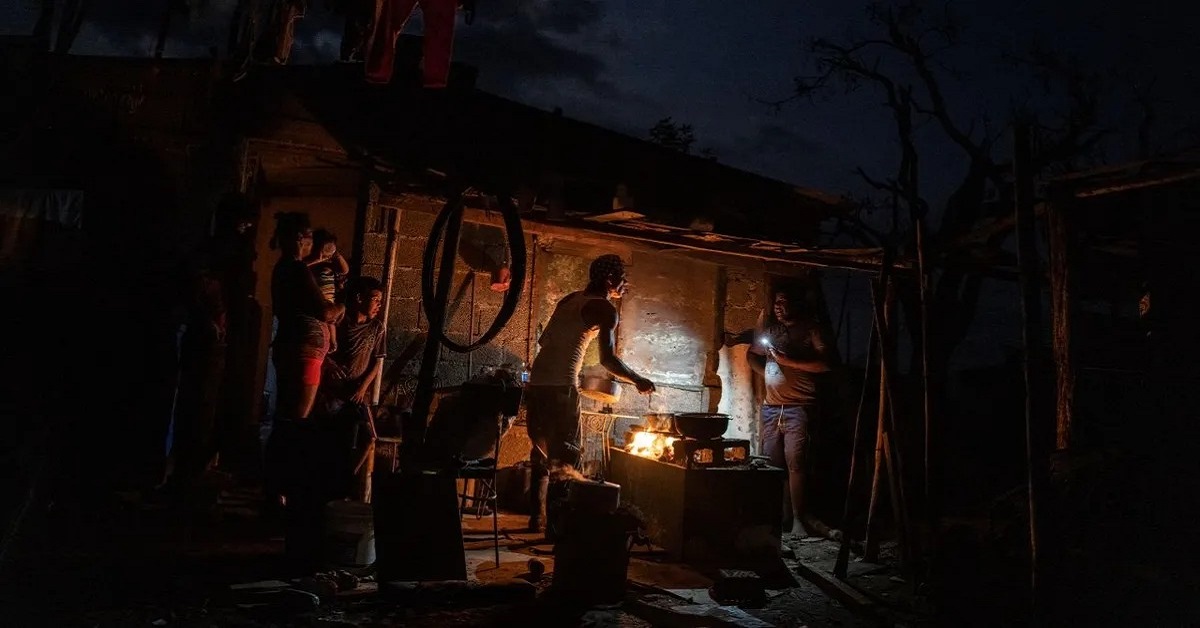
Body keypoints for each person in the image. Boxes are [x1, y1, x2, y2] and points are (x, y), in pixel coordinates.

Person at [525, 253, 656, 537]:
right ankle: (558, 531)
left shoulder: (570, 299)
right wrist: (637, 379)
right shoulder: (605, 309)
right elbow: (609, 360)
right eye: (621, 278)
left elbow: (545, 341)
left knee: (541, 453)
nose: (624, 284)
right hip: (561, 387)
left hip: (537, 385)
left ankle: (536, 519)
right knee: (566, 457)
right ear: (609, 280)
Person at [264, 211, 344, 570]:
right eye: (298, 236)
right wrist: (343, 305)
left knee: (288, 419)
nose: (304, 242)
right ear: (284, 238)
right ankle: (282, 498)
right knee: (295, 421)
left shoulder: (292, 269)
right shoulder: (294, 271)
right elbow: (324, 311)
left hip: (299, 348)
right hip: (303, 351)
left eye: (307, 235)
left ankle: (277, 494)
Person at [747, 286, 832, 538]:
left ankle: (798, 519)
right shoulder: (773, 331)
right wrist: (767, 372)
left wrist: (787, 363)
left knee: (796, 463)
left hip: (799, 407)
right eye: (775, 302)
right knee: (772, 464)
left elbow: (826, 364)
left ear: (796, 303)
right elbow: (752, 354)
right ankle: (776, 518)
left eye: (783, 301)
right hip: (772, 408)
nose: (778, 307)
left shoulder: (811, 329)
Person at [320, 276, 386, 499]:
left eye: (380, 301)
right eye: (375, 299)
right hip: (333, 393)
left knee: (368, 436)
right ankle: (328, 490)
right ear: (359, 298)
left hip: (356, 394)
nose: (379, 305)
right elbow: (323, 350)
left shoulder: (377, 328)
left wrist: (362, 388)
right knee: (330, 441)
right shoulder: (340, 321)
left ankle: (347, 480)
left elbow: (377, 363)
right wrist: (329, 365)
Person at [305, 229, 349, 352]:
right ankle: (330, 343)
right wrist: (317, 259)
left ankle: (333, 342)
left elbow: (345, 270)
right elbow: (301, 267)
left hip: (329, 300)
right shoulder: (311, 264)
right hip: (318, 299)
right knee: (327, 319)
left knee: (332, 322)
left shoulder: (329, 265)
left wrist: (337, 255)